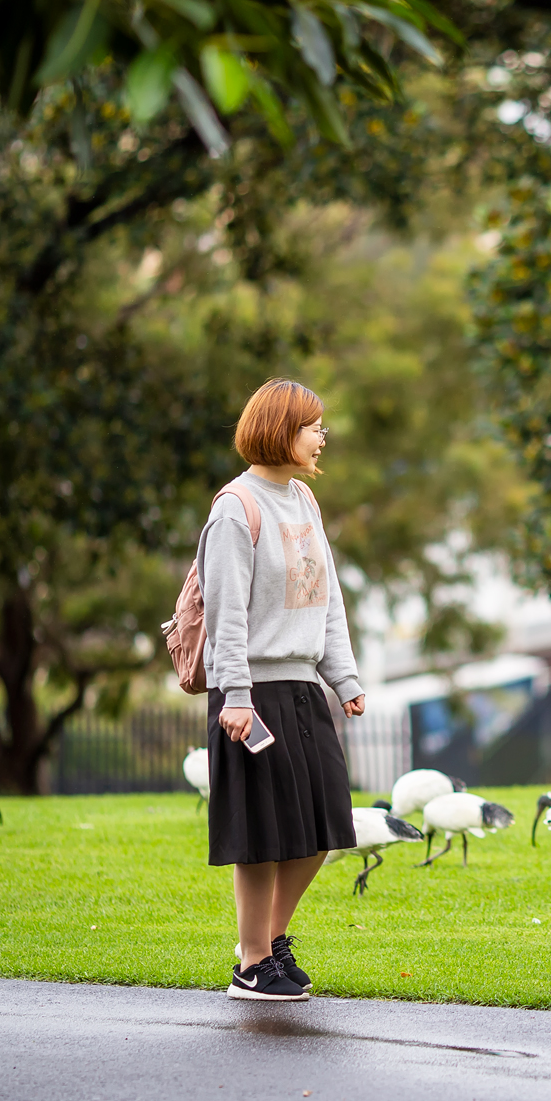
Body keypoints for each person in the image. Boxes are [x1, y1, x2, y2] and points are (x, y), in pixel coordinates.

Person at [201, 378, 366, 1001]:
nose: (322, 436)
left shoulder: (303, 501)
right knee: (264, 835)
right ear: (280, 431)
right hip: (252, 692)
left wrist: (342, 678)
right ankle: (251, 962)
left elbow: (324, 596)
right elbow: (227, 613)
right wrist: (236, 695)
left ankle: (269, 944)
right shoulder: (235, 507)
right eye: (312, 426)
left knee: (323, 827)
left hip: (302, 684)